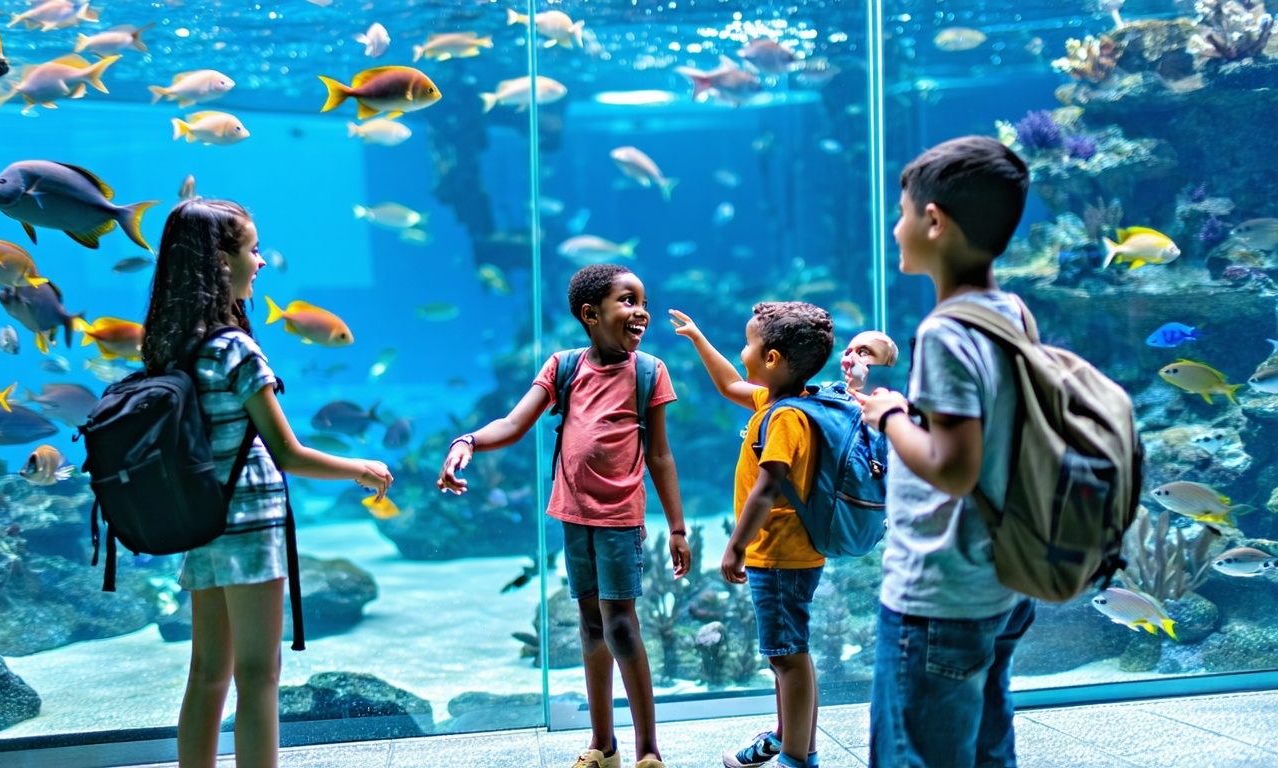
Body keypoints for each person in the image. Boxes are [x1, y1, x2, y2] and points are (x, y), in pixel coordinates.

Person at [143, 199, 394, 768]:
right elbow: (287, 451)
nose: (260, 262)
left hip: (201, 520)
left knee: (207, 672)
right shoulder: (234, 348)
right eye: (251, 249)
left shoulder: (172, 344)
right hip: (249, 524)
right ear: (219, 261)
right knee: (259, 674)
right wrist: (361, 467)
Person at [437, 264, 690, 768]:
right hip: (573, 516)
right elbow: (513, 423)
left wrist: (677, 527)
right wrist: (467, 441)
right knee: (591, 627)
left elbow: (660, 454)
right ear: (590, 314)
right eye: (628, 300)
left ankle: (649, 752)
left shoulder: (649, 371)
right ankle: (603, 746)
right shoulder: (563, 367)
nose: (641, 311)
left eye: (643, 301)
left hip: (620, 519)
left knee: (622, 627)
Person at [854, 136, 1036, 768]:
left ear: (933, 222)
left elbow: (954, 467)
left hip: (940, 590)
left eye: (902, 213)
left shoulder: (944, 330)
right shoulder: (1012, 311)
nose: (895, 228)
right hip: (1000, 577)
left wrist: (889, 415)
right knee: (987, 745)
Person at [670, 302, 835, 768]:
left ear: (772, 359)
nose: (742, 351)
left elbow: (766, 489)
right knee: (788, 653)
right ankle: (788, 739)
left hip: (779, 554)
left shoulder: (786, 419)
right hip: (785, 553)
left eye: (748, 344)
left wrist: (736, 545)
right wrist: (699, 338)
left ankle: (797, 758)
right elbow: (728, 385)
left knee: (787, 658)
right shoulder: (781, 402)